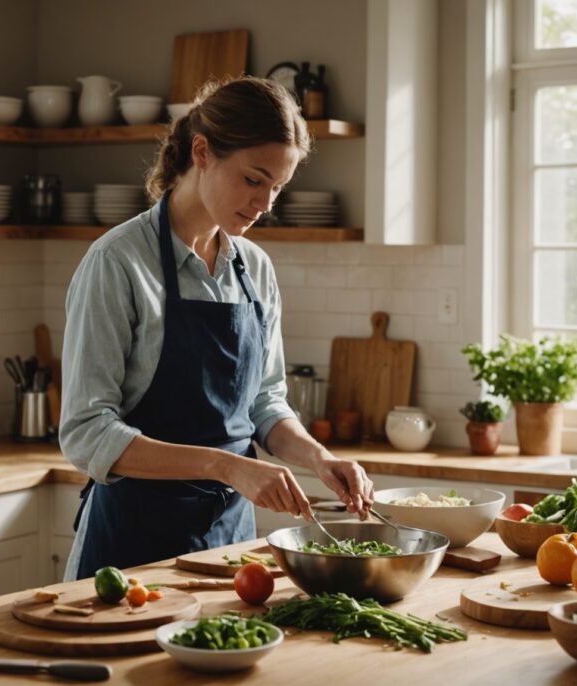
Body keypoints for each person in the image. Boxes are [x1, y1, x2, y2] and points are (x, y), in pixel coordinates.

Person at [59, 77, 374, 580]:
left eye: (278, 187)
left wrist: (319, 459)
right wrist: (226, 465)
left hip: (229, 546)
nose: (266, 203)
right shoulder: (117, 263)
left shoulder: (254, 268)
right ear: (201, 151)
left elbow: (265, 404)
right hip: (130, 550)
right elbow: (86, 432)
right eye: (254, 179)